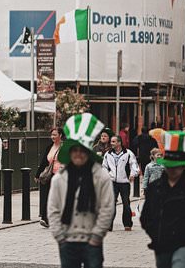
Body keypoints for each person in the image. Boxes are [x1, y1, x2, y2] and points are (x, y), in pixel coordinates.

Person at [48, 113, 115, 268]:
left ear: (88, 152)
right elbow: (53, 209)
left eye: (83, 150)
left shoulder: (100, 176)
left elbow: (107, 208)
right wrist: (60, 237)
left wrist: (97, 236)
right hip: (67, 240)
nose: (78, 153)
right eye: (75, 150)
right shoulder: (60, 178)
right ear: (70, 152)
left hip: (92, 240)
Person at [140, 130, 185, 268]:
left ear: (183, 166)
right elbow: (146, 216)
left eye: (176, 166)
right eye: (169, 165)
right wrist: (155, 233)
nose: (172, 170)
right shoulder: (155, 187)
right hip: (162, 242)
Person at [101, 134, 139, 231]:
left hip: (124, 182)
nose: (111, 143)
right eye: (111, 141)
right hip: (112, 182)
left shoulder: (128, 153)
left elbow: (134, 165)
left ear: (119, 143)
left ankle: (127, 224)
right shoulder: (108, 154)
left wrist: (132, 174)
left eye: (113, 141)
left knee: (126, 203)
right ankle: (109, 225)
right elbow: (104, 166)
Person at [36, 127, 63, 228]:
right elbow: (44, 161)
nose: (52, 137)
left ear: (60, 135)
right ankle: (45, 218)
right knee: (48, 196)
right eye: (52, 135)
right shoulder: (50, 147)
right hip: (50, 175)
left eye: (55, 135)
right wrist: (38, 174)